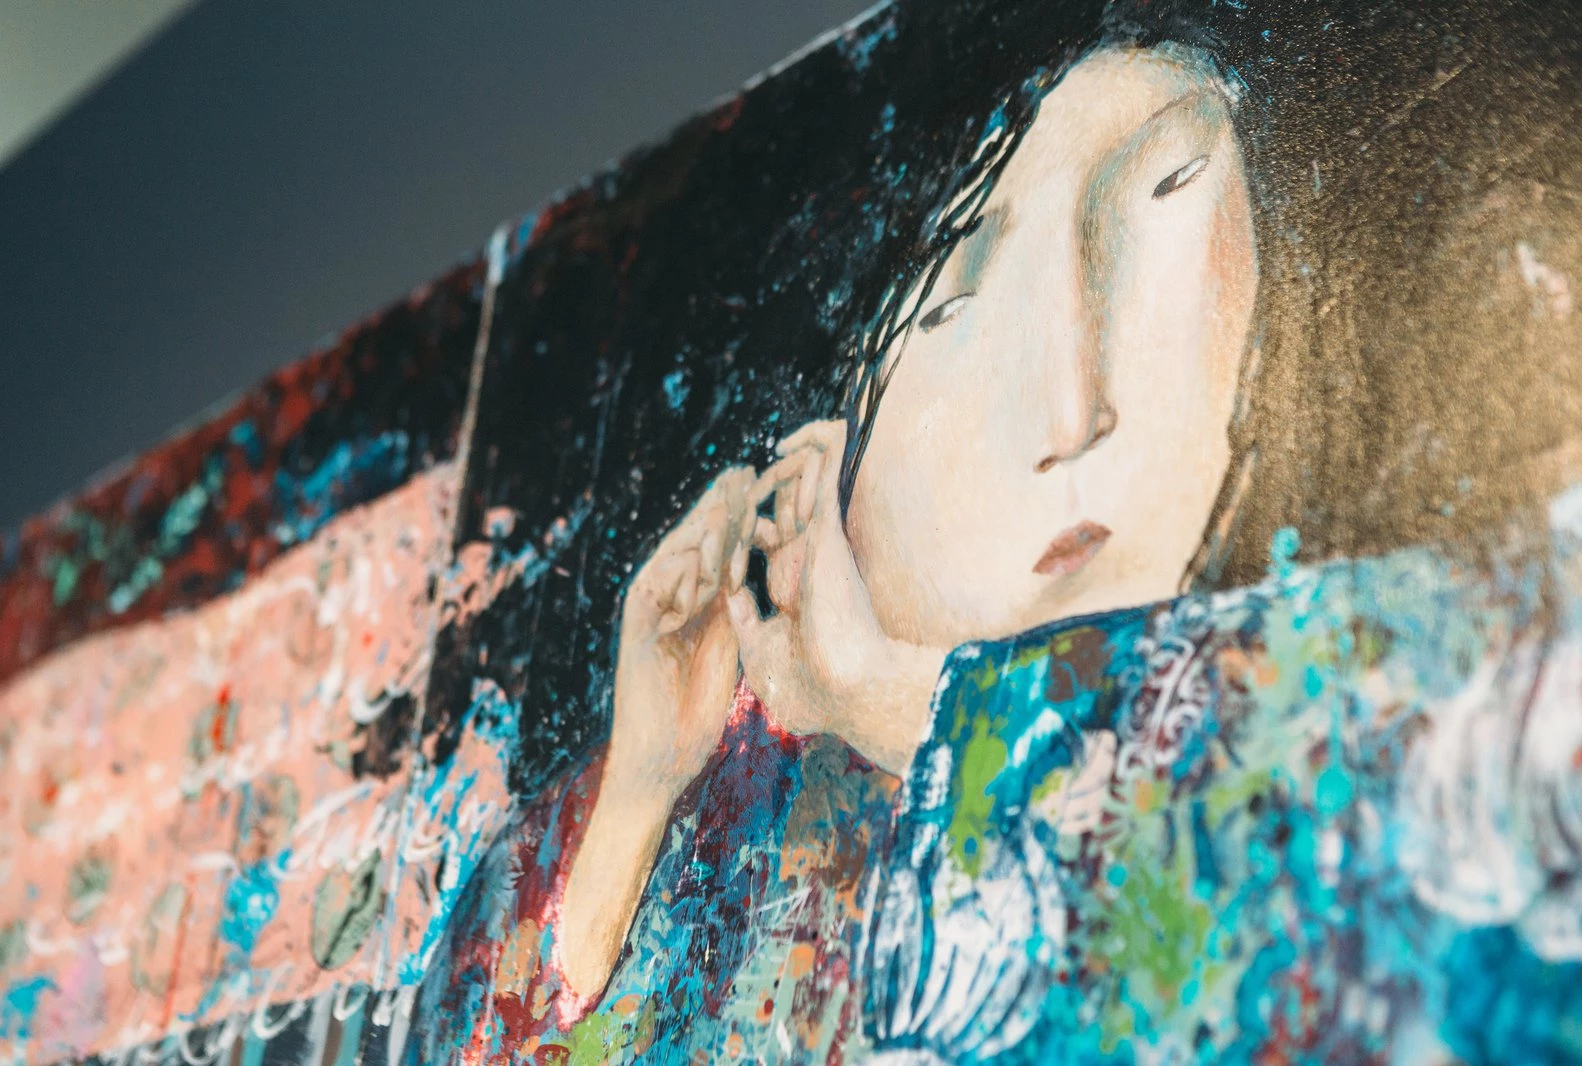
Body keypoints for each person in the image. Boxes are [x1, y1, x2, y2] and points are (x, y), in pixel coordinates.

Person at [404, 35, 1261, 1063]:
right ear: (824, 471)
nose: (1072, 410)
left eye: (1167, 193)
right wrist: (639, 791)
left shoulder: (1335, 705)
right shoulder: (737, 781)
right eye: (952, 309)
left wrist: (901, 706)